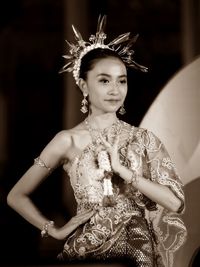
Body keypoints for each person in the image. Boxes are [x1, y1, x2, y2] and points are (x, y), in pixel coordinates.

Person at [7, 15, 187, 267]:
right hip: (87, 251)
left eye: (121, 80)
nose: (115, 89)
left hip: (139, 252)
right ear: (83, 85)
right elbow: (16, 195)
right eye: (104, 80)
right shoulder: (67, 140)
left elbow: (175, 203)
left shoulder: (143, 139)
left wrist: (124, 172)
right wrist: (54, 229)